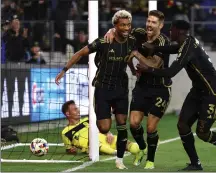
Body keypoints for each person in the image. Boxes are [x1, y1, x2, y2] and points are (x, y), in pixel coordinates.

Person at [138, 20, 216, 171]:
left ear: (178, 31)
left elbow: (171, 72)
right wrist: (156, 48)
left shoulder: (188, 47)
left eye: (171, 30)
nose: (170, 32)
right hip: (197, 91)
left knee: (202, 133)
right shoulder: (187, 41)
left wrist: (148, 69)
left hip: (213, 93)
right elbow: (173, 47)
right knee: (182, 125)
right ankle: (195, 164)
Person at [55, 10, 136, 169]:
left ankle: (119, 160)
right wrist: (64, 70)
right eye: (122, 25)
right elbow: (80, 53)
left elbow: (137, 48)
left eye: (128, 25)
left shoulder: (132, 40)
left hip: (121, 88)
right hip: (103, 88)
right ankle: (106, 124)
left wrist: (134, 70)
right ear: (115, 26)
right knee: (104, 127)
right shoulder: (104, 41)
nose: (126, 28)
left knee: (122, 123)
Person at [104, 10, 172, 169]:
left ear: (160, 25)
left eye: (153, 22)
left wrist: (135, 53)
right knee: (134, 123)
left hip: (160, 88)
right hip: (142, 87)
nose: (149, 24)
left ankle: (151, 160)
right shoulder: (139, 33)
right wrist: (111, 30)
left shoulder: (163, 41)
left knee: (150, 127)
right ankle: (142, 148)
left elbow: (155, 64)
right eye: (148, 21)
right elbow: (122, 30)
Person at [61, 100, 140, 156]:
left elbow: (102, 128)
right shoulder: (65, 132)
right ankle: (115, 152)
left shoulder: (88, 120)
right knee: (94, 144)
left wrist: (109, 134)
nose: (78, 110)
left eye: (77, 108)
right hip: (93, 146)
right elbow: (69, 149)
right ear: (68, 114)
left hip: (107, 140)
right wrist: (71, 150)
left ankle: (143, 148)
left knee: (131, 145)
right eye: (75, 109)